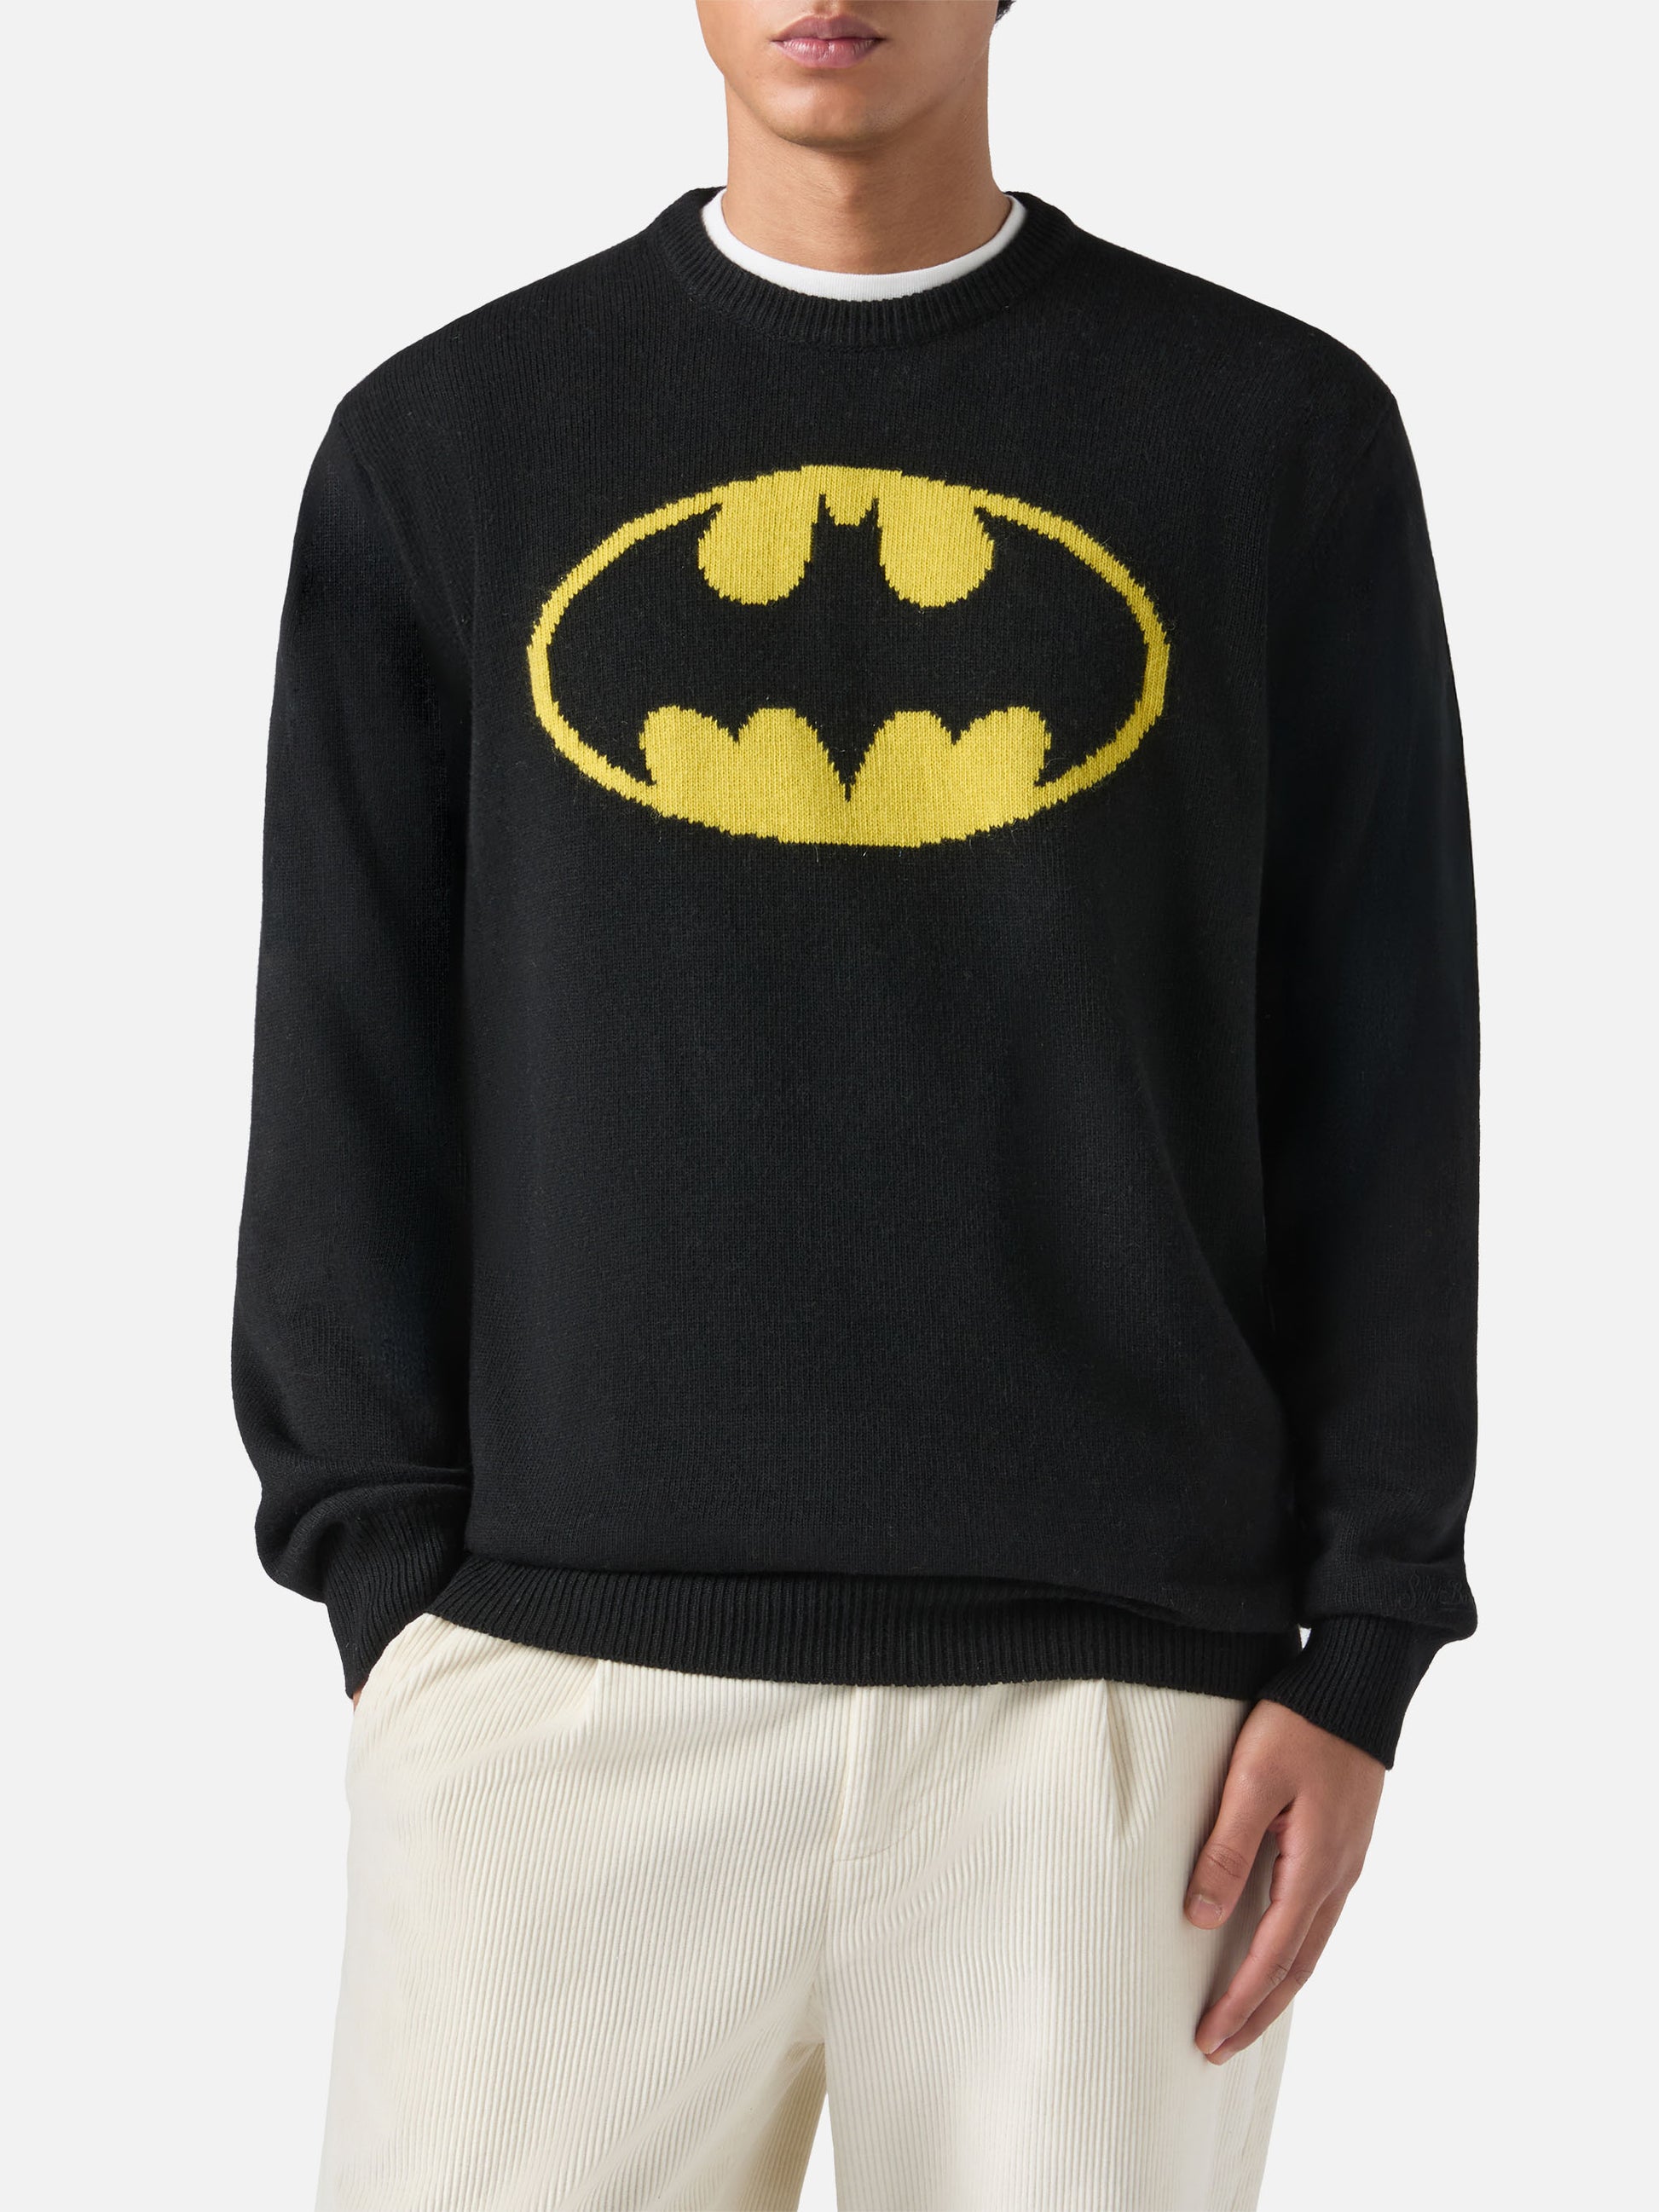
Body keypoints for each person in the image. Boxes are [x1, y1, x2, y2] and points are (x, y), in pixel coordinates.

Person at [232, 3, 1480, 2205]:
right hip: (558, 1680)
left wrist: (1364, 1641)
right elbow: (351, 1046)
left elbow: (1380, 1059)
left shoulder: (1264, 432)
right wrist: (397, 1595)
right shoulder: (456, 440)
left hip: (1111, 1721)